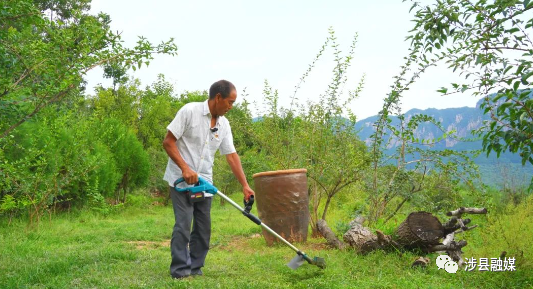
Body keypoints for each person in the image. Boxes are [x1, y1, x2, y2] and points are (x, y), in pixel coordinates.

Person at [162, 79, 255, 279]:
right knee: (183, 224)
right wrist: (185, 168)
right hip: (180, 180)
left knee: (203, 228)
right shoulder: (189, 111)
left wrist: (245, 185)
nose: (231, 107)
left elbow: (231, 155)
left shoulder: (224, 124)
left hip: (204, 181)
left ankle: (195, 268)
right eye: (230, 102)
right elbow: (168, 142)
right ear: (218, 97)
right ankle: (180, 270)